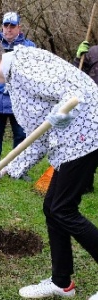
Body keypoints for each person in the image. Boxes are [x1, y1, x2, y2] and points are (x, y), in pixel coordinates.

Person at [0, 34, 98, 299]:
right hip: (69, 144)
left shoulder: (25, 66)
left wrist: (67, 112)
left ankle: (62, 281)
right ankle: (62, 282)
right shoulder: (14, 80)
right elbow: (38, 138)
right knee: (53, 208)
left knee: (62, 209)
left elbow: (75, 92)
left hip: (86, 136)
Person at [0, 12, 35, 181]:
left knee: (21, 136)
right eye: (6, 25)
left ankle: (18, 170)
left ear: (19, 28)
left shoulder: (29, 47)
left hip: (18, 101)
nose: (8, 29)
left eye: (12, 26)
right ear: (2, 26)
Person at [73, 41, 98, 193]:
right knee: (87, 146)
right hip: (91, 108)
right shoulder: (93, 52)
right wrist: (78, 58)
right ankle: (86, 183)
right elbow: (76, 75)